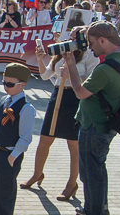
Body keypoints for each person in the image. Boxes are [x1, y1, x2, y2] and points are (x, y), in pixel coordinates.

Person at [64, 22, 120, 215]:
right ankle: (99, 209)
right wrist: (88, 29)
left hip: (95, 125)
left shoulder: (105, 70)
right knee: (98, 168)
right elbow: (109, 33)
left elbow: (79, 92)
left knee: (91, 173)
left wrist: (70, 61)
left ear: (103, 41)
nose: (89, 48)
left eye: (90, 42)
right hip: (109, 123)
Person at [24, 39, 93, 201]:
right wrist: (40, 59)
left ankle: (71, 183)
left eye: (76, 36)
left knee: (73, 143)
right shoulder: (61, 52)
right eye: (71, 35)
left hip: (76, 98)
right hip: (58, 96)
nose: (73, 39)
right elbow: (45, 75)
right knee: (45, 138)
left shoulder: (89, 54)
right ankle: (37, 174)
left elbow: (91, 80)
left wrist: (73, 75)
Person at [0, 62, 38, 215]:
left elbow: (25, 137)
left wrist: (13, 156)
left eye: (10, 84)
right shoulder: (3, 100)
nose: (5, 87)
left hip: (9, 154)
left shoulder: (26, 108)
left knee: (7, 190)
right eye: (4, 83)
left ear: (22, 85)